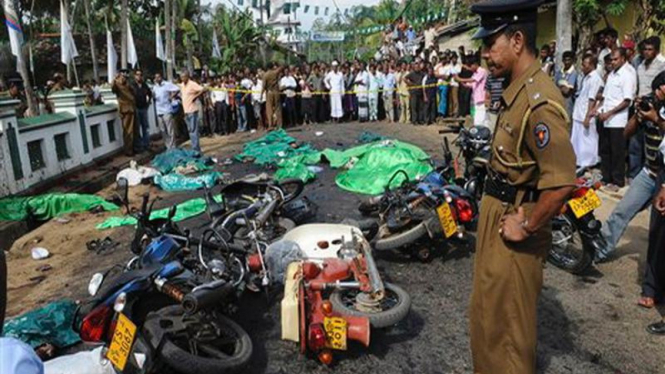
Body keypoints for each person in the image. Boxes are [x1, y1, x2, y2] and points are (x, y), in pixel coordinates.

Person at [468, 1, 576, 374]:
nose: (485, 54)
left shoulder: (539, 101)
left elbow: (561, 182)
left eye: (490, 44)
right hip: (496, 212)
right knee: (489, 318)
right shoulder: (517, 90)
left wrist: (528, 224)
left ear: (517, 40)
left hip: (514, 223)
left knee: (509, 335)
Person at [595, 72, 665, 272]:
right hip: (648, 174)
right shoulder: (651, 106)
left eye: (662, 89)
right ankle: (598, 250)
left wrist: (657, 119)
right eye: (656, 88)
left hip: (664, 179)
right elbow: (626, 133)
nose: (658, 93)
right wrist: (638, 114)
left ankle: (654, 277)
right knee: (620, 212)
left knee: (659, 232)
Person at [597, 48, 637, 191]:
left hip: (618, 120)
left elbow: (627, 101)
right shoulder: (612, 75)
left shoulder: (627, 75)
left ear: (623, 59)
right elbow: (607, 97)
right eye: (611, 60)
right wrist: (599, 110)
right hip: (606, 118)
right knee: (605, 150)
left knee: (617, 151)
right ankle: (606, 177)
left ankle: (618, 181)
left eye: (615, 59)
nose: (612, 62)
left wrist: (609, 113)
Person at [629, 36, 665, 181]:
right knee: (635, 143)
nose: (646, 52)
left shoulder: (662, 64)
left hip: (656, 108)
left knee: (654, 144)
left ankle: (654, 177)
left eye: (650, 49)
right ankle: (634, 175)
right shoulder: (640, 64)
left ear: (656, 50)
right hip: (640, 105)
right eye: (644, 49)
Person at [571, 54, 603, 168]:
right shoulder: (586, 77)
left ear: (592, 65)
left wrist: (587, 117)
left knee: (588, 142)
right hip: (579, 113)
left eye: (584, 65)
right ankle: (578, 162)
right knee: (577, 141)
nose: (582, 67)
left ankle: (589, 164)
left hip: (586, 114)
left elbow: (592, 99)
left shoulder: (595, 79)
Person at [456, 54, 488, 126]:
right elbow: (470, 85)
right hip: (475, 99)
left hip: (481, 99)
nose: (470, 68)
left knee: (480, 120)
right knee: (477, 119)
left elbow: (473, 80)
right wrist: (459, 81)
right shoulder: (475, 73)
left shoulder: (482, 71)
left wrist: (460, 79)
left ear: (475, 64)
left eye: (471, 66)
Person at [179, 71, 206, 152]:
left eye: (184, 77)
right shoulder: (182, 85)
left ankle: (196, 149)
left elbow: (203, 89)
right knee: (190, 130)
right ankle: (194, 147)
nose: (183, 79)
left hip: (192, 110)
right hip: (186, 111)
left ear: (187, 77)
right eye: (181, 77)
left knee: (194, 130)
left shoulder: (192, 84)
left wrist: (195, 96)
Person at [152, 73, 180, 149]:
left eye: (159, 77)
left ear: (161, 77)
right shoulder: (155, 87)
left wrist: (172, 96)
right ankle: (168, 147)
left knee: (170, 129)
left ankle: (173, 146)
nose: (157, 78)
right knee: (163, 130)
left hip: (167, 110)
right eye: (156, 77)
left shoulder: (167, 84)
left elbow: (177, 89)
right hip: (159, 111)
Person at [112, 72, 136, 156]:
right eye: (121, 77)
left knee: (133, 130)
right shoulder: (117, 86)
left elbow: (133, 91)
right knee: (127, 131)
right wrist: (114, 80)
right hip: (124, 110)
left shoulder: (128, 85)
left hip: (132, 108)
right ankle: (128, 150)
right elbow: (113, 89)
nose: (123, 79)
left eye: (124, 77)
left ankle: (132, 148)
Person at [130, 69, 152, 151]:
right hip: (136, 108)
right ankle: (139, 145)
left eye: (140, 75)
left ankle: (147, 144)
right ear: (135, 76)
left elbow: (150, 94)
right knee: (137, 128)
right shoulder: (132, 85)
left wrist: (148, 103)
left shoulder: (144, 85)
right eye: (137, 75)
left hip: (144, 108)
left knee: (145, 127)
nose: (139, 76)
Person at [553, 51, 578, 118]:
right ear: (562, 61)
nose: (567, 62)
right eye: (565, 60)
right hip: (558, 102)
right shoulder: (559, 72)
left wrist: (559, 87)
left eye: (569, 60)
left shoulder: (573, 73)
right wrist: (563, 86)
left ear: (572, 61)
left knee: (567, 122)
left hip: (568, 104)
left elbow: (567, 91)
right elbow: (553, 87)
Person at [263, 63, 283, 129]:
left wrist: (261, 94)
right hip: (276, 91)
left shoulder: (265, 75)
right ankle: (279, 125)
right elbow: (281, 67)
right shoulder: (275, 72)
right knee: (278, 108)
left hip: (269, 92)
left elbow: (264, 86)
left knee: (269, 109)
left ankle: (270, 125)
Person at [448, 53, 462, 117]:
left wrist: (452, 74)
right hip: (449, 83)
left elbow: (456, 73)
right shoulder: (449, 65)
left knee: (455, 99)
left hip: (455, 84)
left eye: (455, 58)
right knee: (450, 99)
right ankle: (450, 112)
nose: (454, 60)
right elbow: (448, 74)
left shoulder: (458, 66)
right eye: (452, 58)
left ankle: (456, 112)